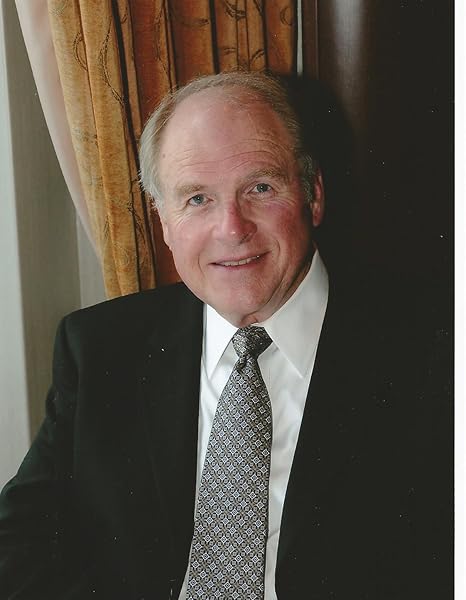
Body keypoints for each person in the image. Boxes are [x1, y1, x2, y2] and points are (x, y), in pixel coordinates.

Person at [0, 71, 451, 599]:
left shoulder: (435, 349)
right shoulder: (101, 347)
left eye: (260, 188)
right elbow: (18, 545)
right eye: (197, 199)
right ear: (164, 222)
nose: (232, 228)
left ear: (313, 194)